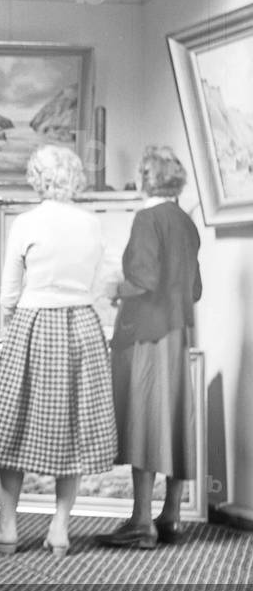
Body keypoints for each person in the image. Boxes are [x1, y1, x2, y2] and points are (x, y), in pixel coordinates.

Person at [0, 144, 116, 558]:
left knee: (12, 428)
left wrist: (12, 325)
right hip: (82, 325)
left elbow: (9, 292)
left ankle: (8, 529)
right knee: (73, 430)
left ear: (38, 178)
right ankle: (59, 529)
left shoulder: (27, 222)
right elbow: (98, 281)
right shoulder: (91, 222)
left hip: (34, 324)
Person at [97, 146, 202, 550]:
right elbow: (195, 288)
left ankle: (141, 521)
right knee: (173, 420)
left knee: (143, 421)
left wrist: (113, 289)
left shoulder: (146, 219)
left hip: (146, 334)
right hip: (178, 333)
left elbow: (143, 281)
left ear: (145, 177)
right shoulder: (185, 222)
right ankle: (171, 516)